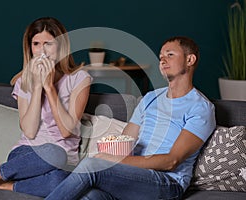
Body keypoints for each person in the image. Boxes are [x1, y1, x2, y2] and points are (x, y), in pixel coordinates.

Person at [45, 36, 216, 200]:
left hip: (167, 183)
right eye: (160, 56)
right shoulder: (150, 98)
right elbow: (124, 142)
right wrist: (108, 155)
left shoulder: (200, 107)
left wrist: (114, 161)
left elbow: (171, 161)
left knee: (91, 166)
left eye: (170, 55)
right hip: (132, 179)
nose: (162, 60)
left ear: (190, 60)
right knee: (89, 196)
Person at [0, 17, 92, 198]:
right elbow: (30, 131)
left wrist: (49, 88)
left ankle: (2, 183)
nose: (42, 51)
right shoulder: (23, 81)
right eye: (36, 44)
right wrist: (37, 86)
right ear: (30, 48)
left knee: (60, 175)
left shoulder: (80, 79)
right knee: (52, 154)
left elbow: (66, 131)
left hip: (63, 159)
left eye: (48, 44)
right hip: (27, 156)